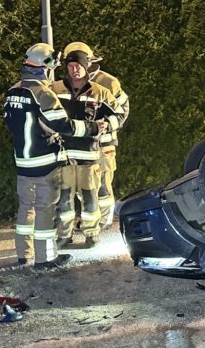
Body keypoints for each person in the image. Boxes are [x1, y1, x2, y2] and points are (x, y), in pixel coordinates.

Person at [4, 43, 106, 268]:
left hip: (23, 163)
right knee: (46, 211)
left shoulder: (13, 91)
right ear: (45, 67)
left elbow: (9, 122)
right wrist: (93, 128)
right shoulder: (44, 94)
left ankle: (24, 255)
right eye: (52, 68)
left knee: (25, 209)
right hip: (46, 164)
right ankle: (46, 259)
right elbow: (64, 125)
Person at [52, 45, 125, 248]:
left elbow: (120, 113)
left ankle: (91, 233)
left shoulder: (100, 91)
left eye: (79, 66)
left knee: (90, 198)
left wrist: (107, 125)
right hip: (64, 155)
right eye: (71, 66)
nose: (75, 70)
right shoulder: (55, 89)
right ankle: (64, 235)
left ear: (87, 66)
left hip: (89, 155)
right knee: (64, 199)